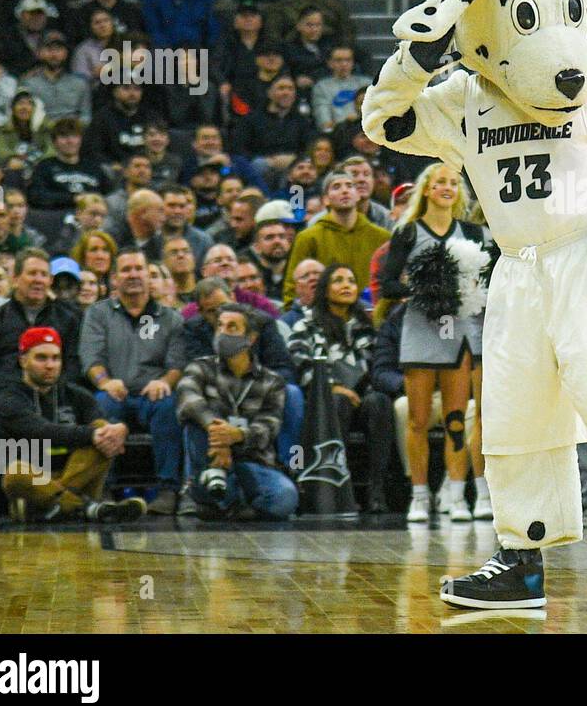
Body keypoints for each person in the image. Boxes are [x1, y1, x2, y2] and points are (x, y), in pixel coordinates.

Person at [379, 164, 485, 522]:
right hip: (421, 329)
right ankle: (420, 495)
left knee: (455, 418)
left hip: (458, 329)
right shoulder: (408, 232)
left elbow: (483, 277)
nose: (447, 187)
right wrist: (424, 289)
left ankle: (456, 496)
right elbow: (387, 284)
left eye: (453, 183)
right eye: (440, 182)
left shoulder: (471, 232)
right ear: (426, 189)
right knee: (418, 419)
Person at [0, 326, 147, 523]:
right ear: (23, 360)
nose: (50, 365)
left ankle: (53, 506)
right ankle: (88, 508)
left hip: (76, 474)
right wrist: (92, 435)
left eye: (55, 358)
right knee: (15, 472)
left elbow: (103, 428)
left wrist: (120, 429)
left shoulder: (76, 394)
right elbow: (42, 431)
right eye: (41, 358)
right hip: (34, 480)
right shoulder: (9, 399)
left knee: (103, 428)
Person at [80, 248, 188, 515]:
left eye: (139, 269)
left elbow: (177, 366)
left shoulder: (171, 318)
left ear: (149, 276)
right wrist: (105, 382)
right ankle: (104, 487)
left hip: (153, 394)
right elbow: (91, 359)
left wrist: (165, 382)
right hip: (115, 392)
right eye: (126, 270)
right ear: (115, 279)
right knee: (101, 405)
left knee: (169, 404)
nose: (133, 275)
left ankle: (168, 489)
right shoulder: (98, 314)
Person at [287, 263, 396, 514]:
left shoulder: (367, 325)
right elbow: (301, 366)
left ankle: (377, 489)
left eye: (351, 281)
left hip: (364, 397)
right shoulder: (306, 325)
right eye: (338, 280)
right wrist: (333, 388)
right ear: (324, 289)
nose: (346, 285)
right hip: (323, 401)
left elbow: (378, 366)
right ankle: (341, 488)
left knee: (380, 401)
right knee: (339, 402)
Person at [176, 302, 299, 521]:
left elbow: (268, 427)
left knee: (285, 498)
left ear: (250, 338)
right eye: (220, 326)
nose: (222, 332)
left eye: (231, 327)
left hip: (252, 462)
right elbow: (188, 400)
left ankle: (231, 506)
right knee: (194, 420)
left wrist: (237, 435)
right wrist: (220, 436)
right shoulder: (200, 367)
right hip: (210, 460)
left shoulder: (272, 381)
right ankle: (226, 500)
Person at [181, 278, 303, 470]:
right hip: (217, 393)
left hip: (259, 387)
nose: (220, 313)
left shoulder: (261, 322)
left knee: (292, 393)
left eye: (223, 305)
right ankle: (197, 476)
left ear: (233, 297)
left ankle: (293, 465)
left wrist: (261, 383)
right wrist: (220, 434)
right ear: (201, 312)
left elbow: (282, 366)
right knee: (191, 400)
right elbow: (196, 372)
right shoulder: (193, 328)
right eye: (211, 311)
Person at [0, 248, 82, 402]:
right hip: (4, 398)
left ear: (50, 281)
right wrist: (8, 394)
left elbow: (73, 364)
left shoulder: (69, 319)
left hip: (55, 397)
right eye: (32, 273)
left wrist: (51, 393)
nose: (38, 280)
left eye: (43, 274)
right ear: (15, 279)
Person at [282, 170, 389, 309]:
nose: (344, 191)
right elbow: (293, 286)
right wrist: (294, 314)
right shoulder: (308, 238)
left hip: (372, 315)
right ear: (326, 200)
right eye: (336, 187)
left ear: (357, 195)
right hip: (324, 315)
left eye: (349, 186)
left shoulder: (382, 237)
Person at [20, 31, 90, 124]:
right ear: (39, 53)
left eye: (58, 49)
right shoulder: (29, 84)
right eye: (49, 49)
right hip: (41, 130)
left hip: (73, 129)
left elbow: (86, 116)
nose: (54, 54)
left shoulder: (80, 84)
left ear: (66, 53)